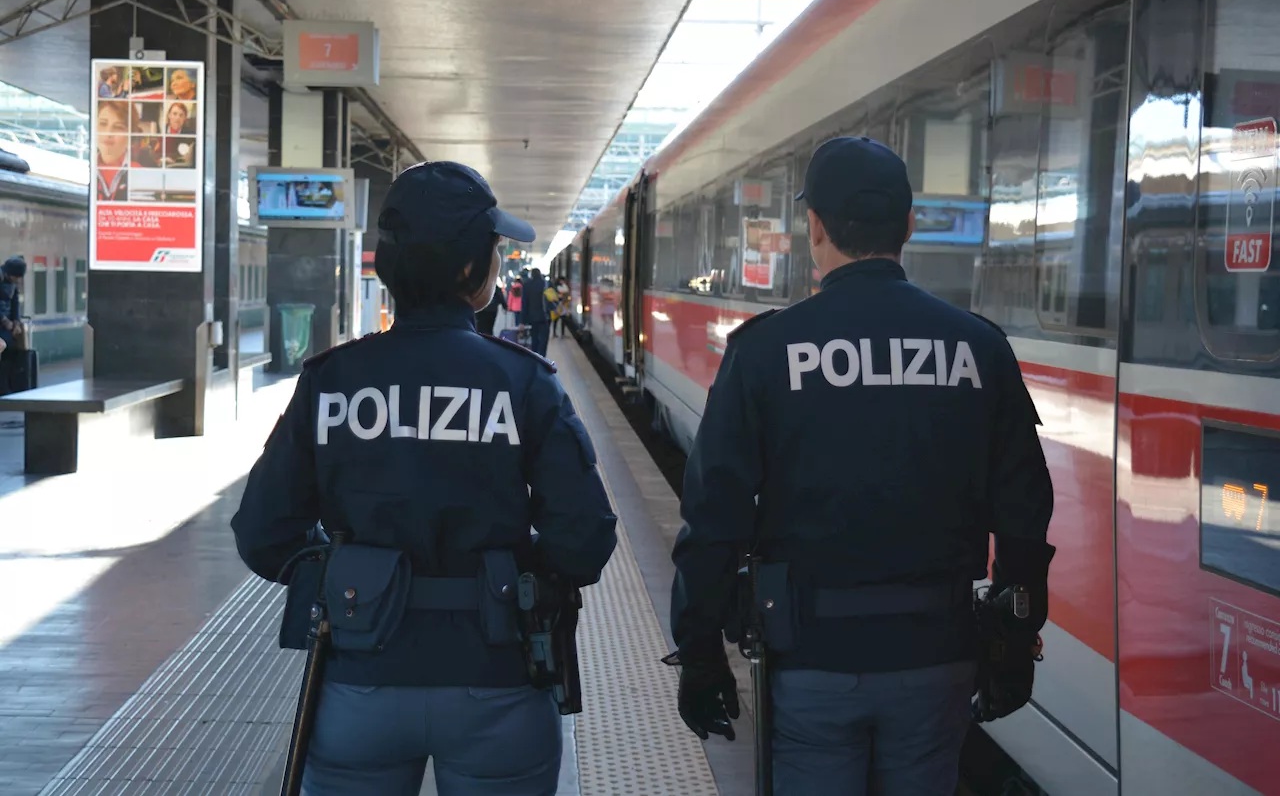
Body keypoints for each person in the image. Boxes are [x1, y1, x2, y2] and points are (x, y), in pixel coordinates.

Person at [667, 136, 1055, 795]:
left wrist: (700, 650)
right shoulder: (979, 349)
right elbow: (1023, 510)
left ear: (814, 225)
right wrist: (1015, 640)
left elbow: (714, 517)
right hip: (937, 657)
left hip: (812, 660)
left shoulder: (766, 352)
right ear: (907, 226)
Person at [230, 160, 617, 796]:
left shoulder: (334, 379)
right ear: (472, 271)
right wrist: (518, 579)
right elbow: (585, 536)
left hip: (358, 682)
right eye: (493, 248)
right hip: (498, 683)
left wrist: (348, 577)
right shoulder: (522, 383)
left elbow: (263, 532)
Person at [520, 267, 551, 356]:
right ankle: (543, 358)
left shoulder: (527, 285)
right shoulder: (546, 283)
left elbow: (524, 304)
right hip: (546, 317)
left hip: (533, 317)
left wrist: (522, 321)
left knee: (534, 339)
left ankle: (535, 357)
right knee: (544, 340)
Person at [0, 257, 24, 360]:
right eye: (17, 277)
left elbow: (15, 302)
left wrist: (16, 322)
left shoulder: (13, 283)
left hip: (7, 326)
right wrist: (4, 320)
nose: (19, 280)